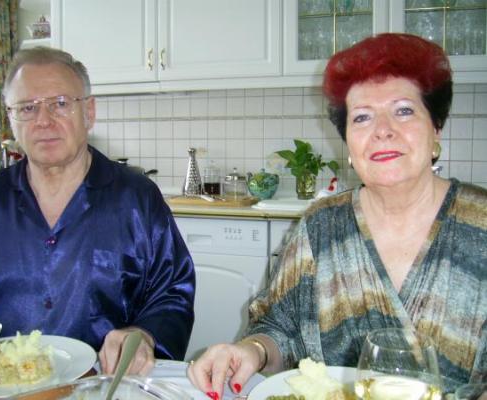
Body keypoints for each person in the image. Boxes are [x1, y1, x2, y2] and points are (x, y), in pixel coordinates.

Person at [188, 33, 487, 398]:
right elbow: (279, 328)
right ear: (347, 140)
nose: (382, 130)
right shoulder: (321, 227)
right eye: (362, 117)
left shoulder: (480, 224)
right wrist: (252, 350)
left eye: (403, 110)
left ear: (435, 125)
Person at [0, 46, 195, 375]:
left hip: (102, 387)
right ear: (11, 118)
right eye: (27, 108)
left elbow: (171, 292)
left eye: (60, 103)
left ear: (89, 112)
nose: (43, 121)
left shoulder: (137, 199)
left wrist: (144, 335)